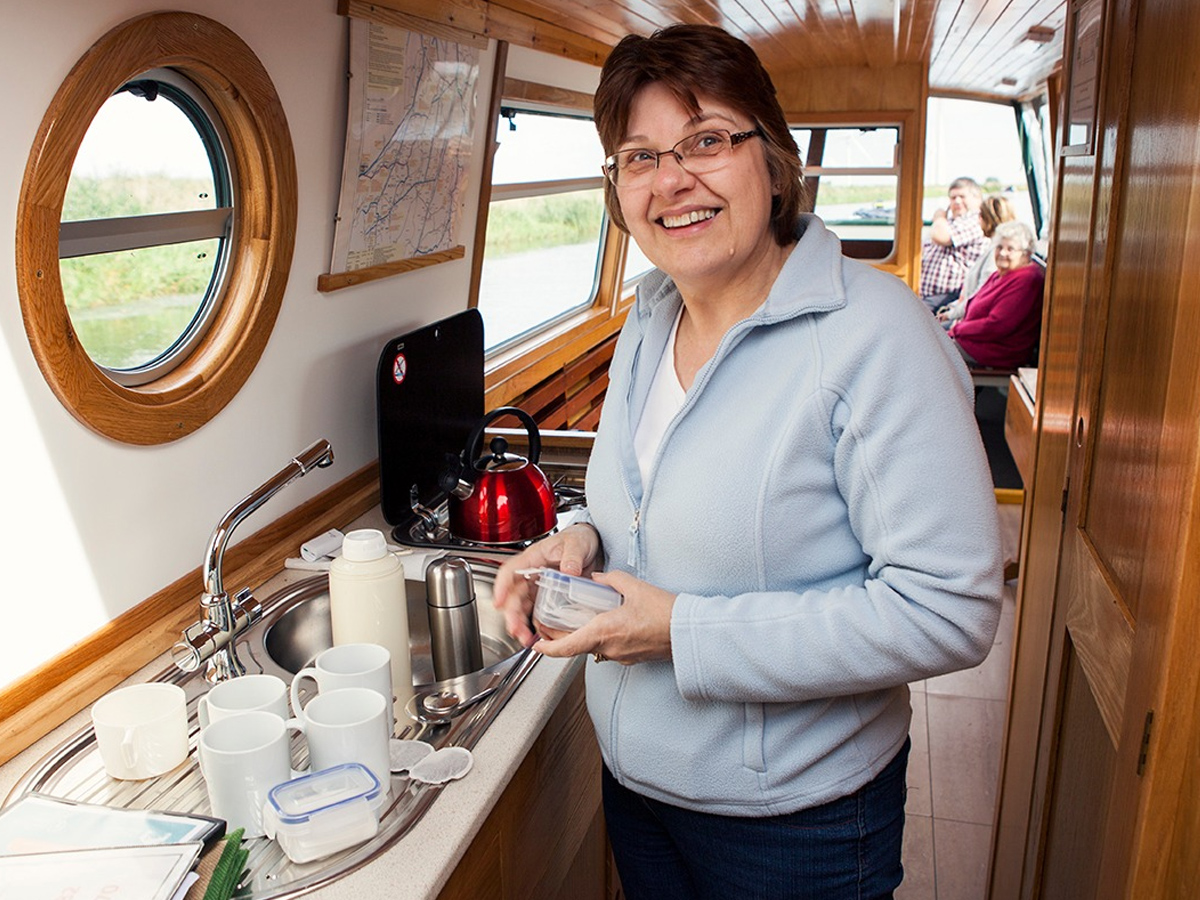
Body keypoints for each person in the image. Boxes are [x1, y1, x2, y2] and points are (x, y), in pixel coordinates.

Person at [493, 23, 1003, 900]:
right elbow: (652, 505)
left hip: (795, 826)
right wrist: (581, 540)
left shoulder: (877, 337)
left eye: (706, 141)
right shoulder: (650, 316)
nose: (673, 179)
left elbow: (950, 610)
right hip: (640, 788)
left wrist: (679, 633)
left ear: (774, 160)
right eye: (640, 156)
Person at [948, 220, 1045, 369]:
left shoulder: (1027, 280)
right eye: (999, 247)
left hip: (996, 351)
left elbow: (997, 325)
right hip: (975, 341)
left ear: (1026, 254)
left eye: (1010, 249)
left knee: (929, 352)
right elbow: (975, 302)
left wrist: (958, 329)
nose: (1002, 253)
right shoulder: (1001, 274)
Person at [935, 193, 1018, 328]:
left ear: (988, 219)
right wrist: (951, 307)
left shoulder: (996, 256)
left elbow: (980, 297)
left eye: (980, 216)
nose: (978, 221)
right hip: (963, 315)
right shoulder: (991, 248)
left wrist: (951, 314)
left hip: (967, 323)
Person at [918, 176, 988, 311]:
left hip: (950, 296)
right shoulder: (949, 223)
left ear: (977, 199)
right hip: (928, 295)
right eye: (952, 198)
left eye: (962, 197)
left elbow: (941, 236)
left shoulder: (975, 221)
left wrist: (939, 217)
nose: (957, 202)